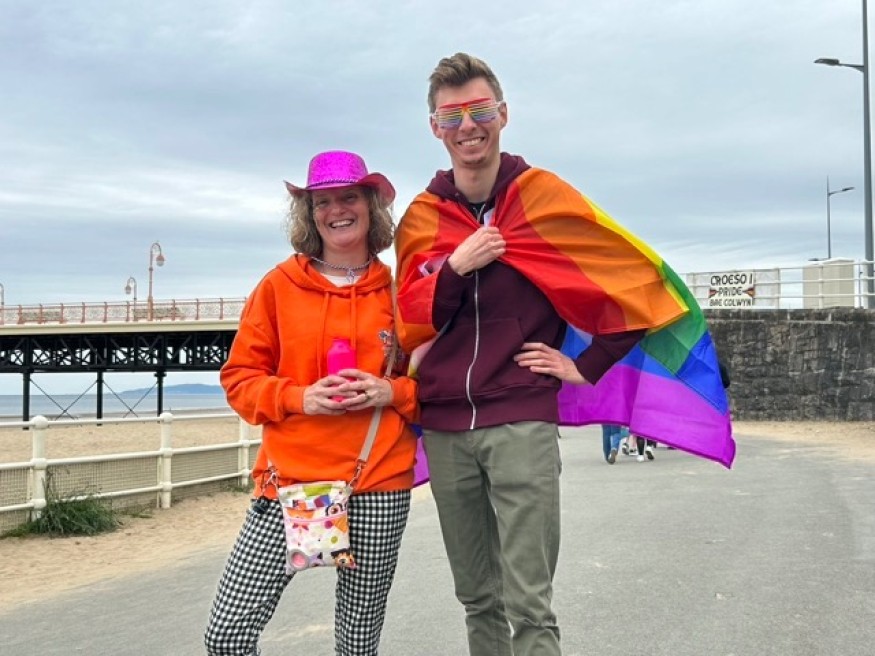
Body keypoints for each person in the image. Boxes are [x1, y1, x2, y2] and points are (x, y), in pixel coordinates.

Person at [393, 53, 670, 656]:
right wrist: (455, 267)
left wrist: (585, 366)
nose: (468, 126)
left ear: (504, 114)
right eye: (452, 116)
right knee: (477, 598)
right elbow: (406, 319)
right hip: (445, 424)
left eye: (480, 110)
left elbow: (635, 283)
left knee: (529, 603)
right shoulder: (419, 218)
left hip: (520, 416)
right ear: (435, 127)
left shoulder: (543, 197)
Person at [204, 150, 419, 656]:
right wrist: (301, 397)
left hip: (377, 481)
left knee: (357, 643)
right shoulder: (278, 287)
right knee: (227, 635)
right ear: (309, 212)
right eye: (323, 201)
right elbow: (239, 381)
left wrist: (390, 391)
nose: (337, 210)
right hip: (289, 484)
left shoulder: (399, 292)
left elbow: (434, 388)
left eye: (350, 197)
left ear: (371, 206)